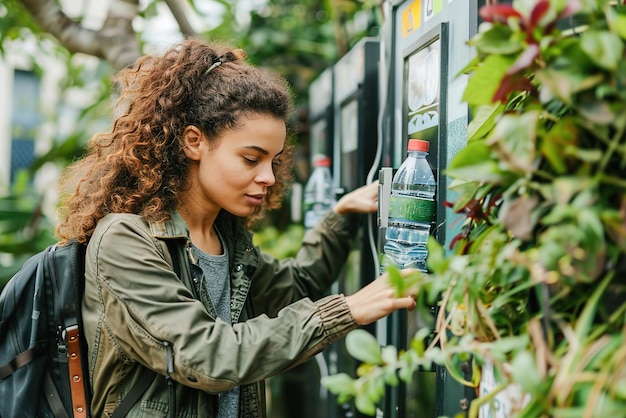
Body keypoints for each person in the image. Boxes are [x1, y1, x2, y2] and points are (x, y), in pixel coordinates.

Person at [55, 37, 417, 418]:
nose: (268, 177)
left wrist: (341, 217)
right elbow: (206, 355)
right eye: (251, 159)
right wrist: (346, 310)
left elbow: (296, 286)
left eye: (274, 161)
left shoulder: (224, 239)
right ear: (194, 141)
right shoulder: (124, 241)